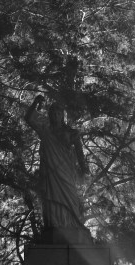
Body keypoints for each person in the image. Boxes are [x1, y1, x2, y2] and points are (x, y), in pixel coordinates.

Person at [24, 94, 89, 234]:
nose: (55, 115)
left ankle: (72, 224)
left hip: (66, 170)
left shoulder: (71, 132)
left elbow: (79, 151)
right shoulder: (45, 130)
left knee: (70, 197)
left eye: (58, 113)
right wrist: (35, 102)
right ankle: (54, 226)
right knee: (51, 198)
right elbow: (28, 118)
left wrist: (83, 168)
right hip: (50, 171)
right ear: (49, 115)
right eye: (52, 113)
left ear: (62, 115)